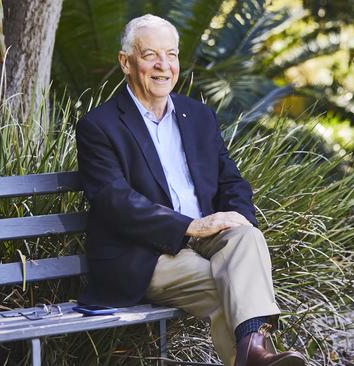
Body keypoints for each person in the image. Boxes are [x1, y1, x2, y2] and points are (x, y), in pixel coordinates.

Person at [75, 14, 306, 366]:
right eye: (150, 55)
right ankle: (256, 353)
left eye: (171, 55)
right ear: (126, 62)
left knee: (249, 237)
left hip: (207, 240)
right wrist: (188, 226)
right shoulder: (100, 126)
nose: (163, 66)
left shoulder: (198, 116)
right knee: (231, 290)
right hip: (143, 255)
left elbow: (232, 182)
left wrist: (237, 218)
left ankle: (254, 355)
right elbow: (113, 200)